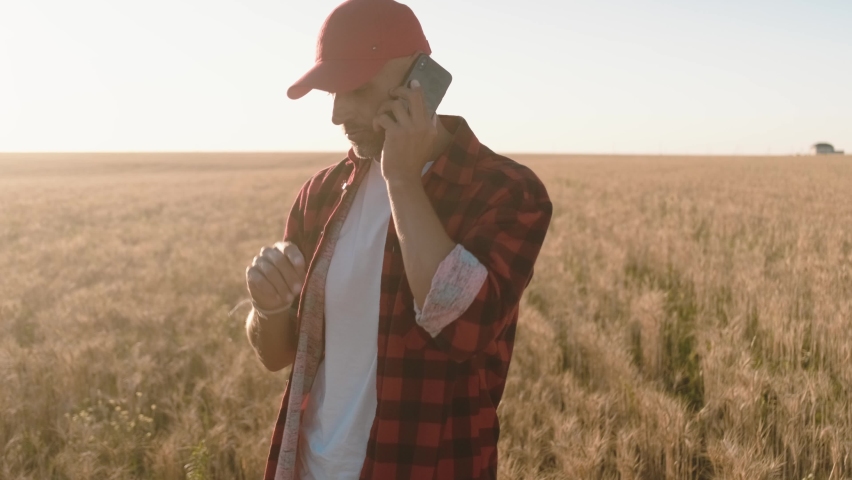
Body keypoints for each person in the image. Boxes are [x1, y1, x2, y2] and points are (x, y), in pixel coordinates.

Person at [244, 0, 552, 478]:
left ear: (418, 82)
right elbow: (278, 354)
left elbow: (463, 329)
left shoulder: (506, 192)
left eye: (356, 89)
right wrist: (267, 308)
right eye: (331, 92)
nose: (337, 114)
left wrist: (403, 181)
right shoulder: (321, 194)